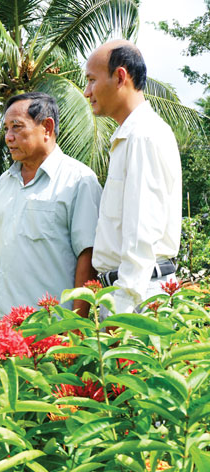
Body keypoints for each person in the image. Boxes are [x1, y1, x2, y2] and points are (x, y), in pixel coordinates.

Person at [0, 92, 102, 319]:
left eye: (17, 127)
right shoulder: (4, 182)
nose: (8, 137)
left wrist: (75, 328)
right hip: (3, 330)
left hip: (52, 331)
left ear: (47, 127)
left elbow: (88, 255)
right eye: (6, 129)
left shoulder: (78, 180)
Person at [84, 41, 181, 313]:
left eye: (92, 80)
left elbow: (142, 232)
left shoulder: (142, 135)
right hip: (130, 289)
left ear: (120, 77)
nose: (86, 91)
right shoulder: (131, 135)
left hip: (136, 296)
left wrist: (123, 311)